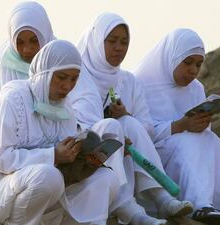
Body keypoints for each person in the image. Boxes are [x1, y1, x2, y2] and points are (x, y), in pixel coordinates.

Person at [0, 39, 128, 225]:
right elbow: (1, 159)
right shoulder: (13, 99)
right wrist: (52, 155)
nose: (67, 86)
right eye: (61, 77)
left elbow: (64, 163)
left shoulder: (66, 108)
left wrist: (85, 157)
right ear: (45, 73)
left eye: (74, 79)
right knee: (49, 176)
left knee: (106, 178)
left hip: (47, 192)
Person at [76, 12, 193, 225]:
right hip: (89, 154)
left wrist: (126, 115)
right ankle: (133, 209)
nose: (119, 48)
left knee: (129, 123)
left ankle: (162, 198)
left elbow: (147, 129)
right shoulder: (76, 77)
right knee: (114, 126)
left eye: (124, 42)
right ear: (95, 42)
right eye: (112, 41)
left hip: (127, 152)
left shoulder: (128, 81)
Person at [133, 28, 220, 225]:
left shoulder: (196, 88)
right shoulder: (140, 82)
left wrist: (202, 122)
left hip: (188, 156)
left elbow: (203, 135)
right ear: (171, 57)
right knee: (189, 140)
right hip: (154, 158)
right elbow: (138, 132)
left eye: (198, 64)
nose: (193, 71)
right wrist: (181, 125)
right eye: (187, 63)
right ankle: (198, 205)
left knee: (210, 140)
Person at [0, 1, 56, 145]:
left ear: (44, 36)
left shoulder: (61, 58)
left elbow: (79, 111)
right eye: (20, 42)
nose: (27, 49)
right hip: (5, 147)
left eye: (34, 41)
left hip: (55, 146)